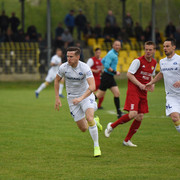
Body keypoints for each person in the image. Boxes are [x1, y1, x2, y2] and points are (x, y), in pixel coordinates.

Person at [104, 41, 157, 147]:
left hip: (143, 91)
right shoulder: (138, 61)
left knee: (140, 116)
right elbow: (129, 74)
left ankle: (127, 140)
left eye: (150, 49)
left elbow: (151, 75)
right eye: (146, 49)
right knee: (133, 113)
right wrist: (140, 84)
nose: (148, 51)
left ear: (154, 51)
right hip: (134, 89)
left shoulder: (154, 63)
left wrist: (152, 84)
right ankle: (112, 126)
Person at [54, 47, 102, 157]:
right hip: (72, 99)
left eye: (71, 57)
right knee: (84, 128)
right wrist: (57, 98)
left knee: (89, 118)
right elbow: (56, 80)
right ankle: (95, 120)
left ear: (78, 57)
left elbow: (92, 86)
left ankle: (96, 146)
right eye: (67, 56)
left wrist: (81, 98)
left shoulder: (85, 67)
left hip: (86, 96)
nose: (68, 59)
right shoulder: (63, 67)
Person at [146, 38, 180, 133]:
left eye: (167, 46)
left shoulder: (179, 59)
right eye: (164, 46)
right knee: (174, 118)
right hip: (171, 96)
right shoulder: (162, 61)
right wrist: (151, 82)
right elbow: (161, 74)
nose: (165, 48)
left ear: (174, 47)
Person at [95, 40, 124, 118]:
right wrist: (115, 72)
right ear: (113, 46)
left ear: (120, 47)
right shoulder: (111, 54)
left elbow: (103, 61)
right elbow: (107, 66)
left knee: (117, 93)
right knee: (99, 95)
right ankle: (85, 104)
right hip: (107, 77)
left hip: (109, 77)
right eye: (116, 45)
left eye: (119, 45)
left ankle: (119, 113)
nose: (117, 46)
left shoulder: (112, 53)